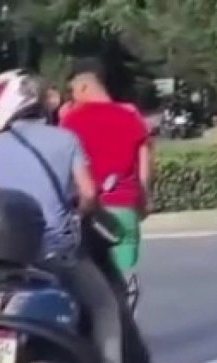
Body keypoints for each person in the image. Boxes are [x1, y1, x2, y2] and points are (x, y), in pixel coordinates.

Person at [0, 69, 142, 363]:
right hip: (56, 248)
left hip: (7, 253)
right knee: (105, 304)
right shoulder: (64, 139)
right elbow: (88, 193)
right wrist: (79, 211)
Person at [60, 58, 154, 279]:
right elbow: (144, 165)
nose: (72, 96)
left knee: (91, 281)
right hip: (124, 208)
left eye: (73, 90)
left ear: (84, 86)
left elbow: (64, 169)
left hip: (89, 212)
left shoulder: (70, 121)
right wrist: (145, 200)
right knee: (124, 278)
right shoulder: (131, 116)